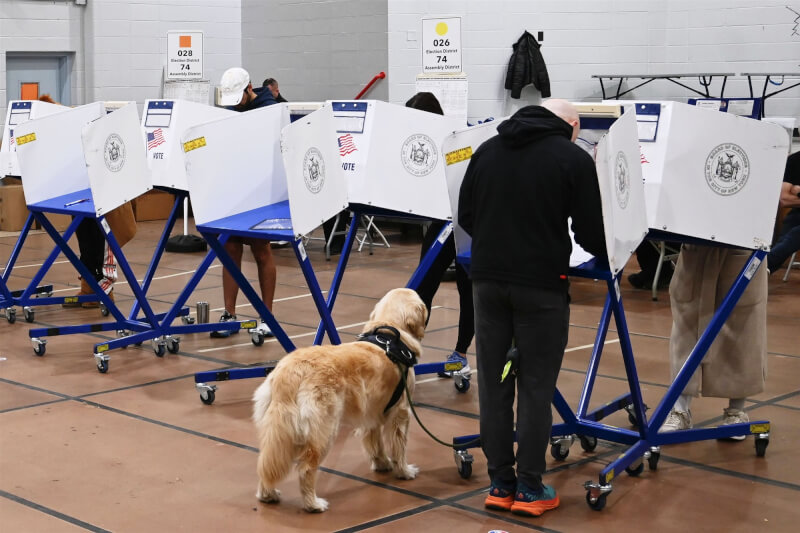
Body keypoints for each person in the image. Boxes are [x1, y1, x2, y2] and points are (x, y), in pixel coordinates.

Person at [459, 99, 606, 516]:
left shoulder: (487, 149)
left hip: (486, 282)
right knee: (536, 386)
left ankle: (499, 484)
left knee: (494, 383)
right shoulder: (572, 158)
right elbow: (592, 232)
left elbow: (466, 213)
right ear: (572, 125)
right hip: (541, 287)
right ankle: (529, 489)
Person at [660, 243, 768, 437]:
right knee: (686, 332)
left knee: (742, 333)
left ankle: (737, 411)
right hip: (696, 249)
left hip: (744, 248)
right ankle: (679, 410)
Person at [405, 92, 474, 379]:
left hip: (467, 222)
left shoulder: (460, 137)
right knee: (422, 288)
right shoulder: (419, 139)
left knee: (467, 291)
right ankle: (408, 351)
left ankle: (460, 353)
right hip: (439, 221)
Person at [210, 67, 278, 338]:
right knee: (230, 249)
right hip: (233, 192)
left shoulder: (269, 110)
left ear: (250, 88)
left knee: (262, 251)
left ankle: (267, 316)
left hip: (261, 193)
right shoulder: (231, 110)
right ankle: (229, 314)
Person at [767, 151, 800, 273]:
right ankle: (759, 274)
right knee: (784, 241)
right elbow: (784, 199)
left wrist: (797, 190)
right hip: (797, 213)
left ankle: (757, 272)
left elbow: (792, 192)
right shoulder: (794, 160)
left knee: (794, 235)